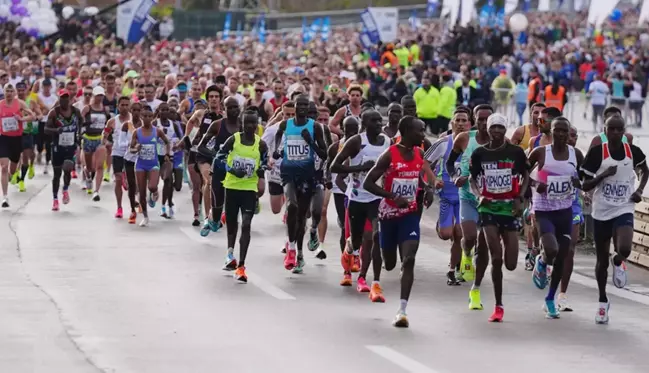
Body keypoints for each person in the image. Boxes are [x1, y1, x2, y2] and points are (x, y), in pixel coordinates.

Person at [363, 115, 435, 327]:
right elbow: (368, 183)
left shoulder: (420, 154)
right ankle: (378, 252)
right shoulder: (389, 155)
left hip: (410, 215)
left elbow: (424, 176)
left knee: (409, 259)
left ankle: (402, 311)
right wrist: (392, 196)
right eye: (419, 131)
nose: (423, 135)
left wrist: (429, 189)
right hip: (388, 216)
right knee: (390, 263)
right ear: (406, 132)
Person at [580, 115, 648, 324]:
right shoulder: (597, 153)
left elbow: (645, 171)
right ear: (605, 130)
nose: (617, 133)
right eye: (612, 129)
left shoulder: (632, 151)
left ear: (624, 130)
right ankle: (602, 302)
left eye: (620, 129)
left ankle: (618, 260)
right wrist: (603, 176)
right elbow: (585, 184)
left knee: (625, 248)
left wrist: (639, 190)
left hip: (624, 206)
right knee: (601, 262)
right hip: (602, 210)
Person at [468, 113, 528, 322]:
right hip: (488, 209)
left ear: (505, 130)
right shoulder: (479, 153)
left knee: (511, 263)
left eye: (500, 128)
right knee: (496, 258)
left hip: (508, 209)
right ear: (488, 130)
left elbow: (526, 175)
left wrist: (520, 197)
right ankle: (498, 305)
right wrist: (479, 195)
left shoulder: (516, 152)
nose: (496, 132)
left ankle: (482, 288)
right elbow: (472, 179)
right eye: (493, 128)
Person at [528, 117, 584, 319]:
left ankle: (550, 299)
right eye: (557, 131)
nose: (561, 135)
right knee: (551, 249)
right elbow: (523, 174)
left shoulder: (575, 153)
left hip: (565, 210)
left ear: (569, 133)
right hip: (544, 210)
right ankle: (542, 260)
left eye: (565, 131)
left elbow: (583, 176)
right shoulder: (541, 152)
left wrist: (580, 182)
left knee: (563, 254)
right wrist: (535, 185)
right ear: (550, 132)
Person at [330, 110, 389, 296]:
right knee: (356, 240)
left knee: (374, 236)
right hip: (357, 197)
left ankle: (368, 279)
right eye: (374, 120)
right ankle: (349, 249)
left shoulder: (386, 142)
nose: (379, 123)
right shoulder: (356, 141)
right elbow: (335, 166)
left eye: (380, 120)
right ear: (364, 123)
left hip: (376, 198)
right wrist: (361, 167)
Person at [445, 104, 493, 308]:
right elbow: (449, 163)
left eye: (487, 119)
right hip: (467, 196)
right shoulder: (465, 138)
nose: (484, 124)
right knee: (470, 237)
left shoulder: (500, 142)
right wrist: (456, 176)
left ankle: (476, 287)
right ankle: (465, 253)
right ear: (474, 120)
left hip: (491, 200)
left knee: (486, 245)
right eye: (480, 119)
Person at [273, 94, 328, 273]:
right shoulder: (285, 124)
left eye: (306, 105)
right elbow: (279, 138)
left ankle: (299, 254)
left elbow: (324, 154)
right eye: (300, 105)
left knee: (302, 217)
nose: (303, 108)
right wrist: (277, 151)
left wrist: (310, 141)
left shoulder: (316, 127)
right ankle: (290, 247)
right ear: (295, 107)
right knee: (292, 206)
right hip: (288, 174)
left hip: (308, 177)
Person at [214, 110, 268, 282]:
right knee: (232, 224)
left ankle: (242, 266)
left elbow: (265, 163)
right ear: (241, 124)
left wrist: (262, 170)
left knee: (246, 224)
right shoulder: (234, 140)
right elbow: (219, 159)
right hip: (231, 187)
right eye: (247, 123)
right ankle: (230, 254)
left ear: (257, 125)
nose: (250, 126)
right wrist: (232, 170)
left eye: (253, 123)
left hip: (249, 190)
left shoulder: (261, 145)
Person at [425, 109, 471, 285]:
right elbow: (425, 161)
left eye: (464, 120)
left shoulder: (472, 144)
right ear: (452, 123)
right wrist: (434, 179)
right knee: (446, 234)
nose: (460, 123)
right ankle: (442, 226)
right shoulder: (443, 143)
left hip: (465, 197)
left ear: (469, 124)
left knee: (460, 234)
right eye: (457, 120)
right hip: (446, 195)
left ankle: (453, 270)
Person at [196, 92, 238, 237]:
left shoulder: (243, 125)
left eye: (236, 107)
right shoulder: (217, 125)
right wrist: (216, 155)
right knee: (217, 200)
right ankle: (210, 219)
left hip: (236, 170)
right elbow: (201, 147)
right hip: (219, 168)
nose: (233, 110)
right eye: (230, 107)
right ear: (223, 108)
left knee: (234, 200)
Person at [129, 105, 172, 227]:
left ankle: (154, 192)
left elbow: (167, 142)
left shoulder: (157, 131)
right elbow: (131, 149)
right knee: (142, 193)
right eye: (144, 116)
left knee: (152, 186)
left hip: (153, 163)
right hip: (140, 164)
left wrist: (167, 153)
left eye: (149, 116)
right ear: (141, 117)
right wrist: (135, 148)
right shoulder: (136, 132)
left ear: (153, 117)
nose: (147, 118)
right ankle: (146, 216)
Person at [328, 116, 360, 257]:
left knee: (357, 227)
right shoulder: (336, 146)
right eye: (349, 130)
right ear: (343, 129)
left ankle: (357, 254)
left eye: (355, 130)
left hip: (358, 191)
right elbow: (328, 165)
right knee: (344, 225)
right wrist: (327, 179)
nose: (352, 133)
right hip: (340, 189)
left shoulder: (361, 145)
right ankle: (345, 256)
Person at [45, 89, 82, 211]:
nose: (65, 101)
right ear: (59, 99)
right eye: (62, 98)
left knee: (67, 169)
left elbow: (81, 123)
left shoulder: (76, 112)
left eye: (67, 98)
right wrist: (56, 130)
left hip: (70, 146)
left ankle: (65, 189)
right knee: (57, 174)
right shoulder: (54, 113)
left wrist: (79, 136)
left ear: (70, 99)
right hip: (57, 146)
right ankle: (55, 199)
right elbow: (46, 129)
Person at [0, 83, 35, 208]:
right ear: (4, 92)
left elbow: (33, 116)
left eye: (11, 91)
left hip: (16, 139)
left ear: (14, 92)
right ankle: (5, 197)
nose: (9, 93)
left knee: (12, 169)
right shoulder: (0, 105)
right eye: (6, 91)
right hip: (3, 139)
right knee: (3, 167)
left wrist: (21, 120)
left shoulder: (19, 104)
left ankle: (10, 176)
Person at [81, 86, 111, 201]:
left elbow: (109, 125)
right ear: (94, 95)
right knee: (90, 167)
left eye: (101, 95)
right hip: (88, 138)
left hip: (100, 139)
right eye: (98, 95)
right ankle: (87, 175)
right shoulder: (87, 108)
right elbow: (79, 121)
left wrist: (107, 137)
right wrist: (87, 123)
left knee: (99, 167)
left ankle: (96, 191)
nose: (100, 98)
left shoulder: (105, 109)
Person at [104, 96, 132, 218]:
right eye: (122, 105)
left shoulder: (133, 119)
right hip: (117, 153)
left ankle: (135, 203)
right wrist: (106, 142)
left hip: (131, 153)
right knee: (118, 180)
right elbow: (104, 135)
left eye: (127, 105)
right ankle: (119, 207)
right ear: (118, 107)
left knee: (133, 182)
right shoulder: (112, 121)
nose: (125, 107)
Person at [155, 102, 184, 218]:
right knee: (154, 183)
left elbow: (181, 139)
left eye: (167, 110)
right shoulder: (154, 123)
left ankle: (166, 206)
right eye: (163, 110)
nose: (165, 112)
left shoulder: (174, 125)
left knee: (168, 180)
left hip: (169, 155)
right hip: (155, 155)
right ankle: (153, 194)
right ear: (159, 111)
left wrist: (179, 145)